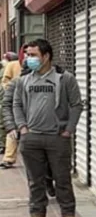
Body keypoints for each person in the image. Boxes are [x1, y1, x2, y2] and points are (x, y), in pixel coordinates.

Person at [14, 39, 82, 217]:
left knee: (62, 179)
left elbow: (77, 104)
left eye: (33, 55)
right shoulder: (24, 79)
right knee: (35, 180)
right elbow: (16, 104)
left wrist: (68, 129)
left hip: (57, 137)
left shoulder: (64, 78)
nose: (29, 59)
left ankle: (68, 215)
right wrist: (22, 128)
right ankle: (37, 216)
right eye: (27, 55)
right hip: (32, 137)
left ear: (46, 56)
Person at [4, 56, 60, 198]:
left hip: (51, 130)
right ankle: (37, 199)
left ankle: (48, 180)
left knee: (51, 163)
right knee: (33, 167)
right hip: (27, 130)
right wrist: (13, 126)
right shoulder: (17, 83)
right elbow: (7, 105)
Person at [1, 47, 25, 168]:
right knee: (12, 130)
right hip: (15, 100)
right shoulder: (12, 65)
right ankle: (9, 158)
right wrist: (10, 90)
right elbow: (5, 81)